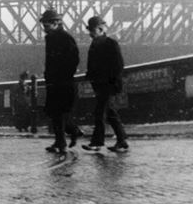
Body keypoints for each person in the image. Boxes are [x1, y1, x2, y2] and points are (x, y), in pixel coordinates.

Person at [82, 15, 129, 153]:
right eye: (90, 30)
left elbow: (119, 65)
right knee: (110, 113)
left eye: (93, 29)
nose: (91, 32)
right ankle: (122, 140)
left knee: (99, 113)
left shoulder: (110, 43)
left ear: (101, 29)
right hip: (100, 85)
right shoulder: (95, 44)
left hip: (108, 84)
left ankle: (97, 143)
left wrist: (114, 82)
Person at [40, 10, 82, 154]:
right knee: (54, 112)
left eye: (46, 25)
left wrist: (64, 75)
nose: (44, 28)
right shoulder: (51, 38)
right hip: (54, 81)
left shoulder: (65, 38)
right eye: (43, 25)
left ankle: (61, 142)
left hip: (63, 81)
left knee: (59, 112)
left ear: (56, 23)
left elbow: (74, 59)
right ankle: (72, 132)